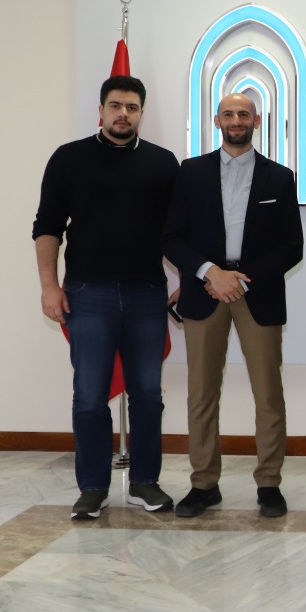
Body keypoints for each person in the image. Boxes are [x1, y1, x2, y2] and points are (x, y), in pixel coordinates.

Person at [33, 74, 179, 521]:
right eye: (115, 105)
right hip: (87, 294)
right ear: (100, 110)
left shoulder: (163, 163)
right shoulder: (68, 158)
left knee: (148, 395)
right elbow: (47, 226)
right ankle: (93, 488)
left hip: (147, 294)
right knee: (90, 396)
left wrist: (189, 282)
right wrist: (49, 286)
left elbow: (178, 232)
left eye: (132, 107)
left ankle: (144, 482)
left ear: (141, 114)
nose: (123, 114)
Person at [162, 93, 304, 520]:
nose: (236, 120)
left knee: (268, 394)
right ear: (217, 120)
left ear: (256, 121)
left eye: (244, 114)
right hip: (205, 292)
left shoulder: (280, 177)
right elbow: (171, 237)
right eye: (229, 114)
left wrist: (242, 278)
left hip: (256, 293)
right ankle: (204, 484)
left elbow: (292, 246)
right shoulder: (190, 172)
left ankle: (269, 484)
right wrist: (210, 273)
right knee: (201, 394)